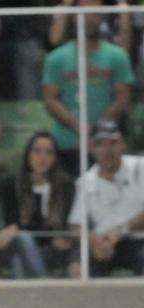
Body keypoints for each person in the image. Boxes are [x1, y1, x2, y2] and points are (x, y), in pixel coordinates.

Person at [42, 0, 133, 176]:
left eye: (95, 12)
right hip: (66, 144)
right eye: (84, 12)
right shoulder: (56, 58)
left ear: (101, 17)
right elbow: (50, 99)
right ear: (74, 17)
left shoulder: (117, 56)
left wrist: (98, 127)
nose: (89, 18)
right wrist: (78, 126)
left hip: (106, 145)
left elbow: (123, 97)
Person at [67, 120, 144, 277]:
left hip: (138, 240)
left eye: (113, 143)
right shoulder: (86, 181)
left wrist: (120, 230)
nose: (107, 150)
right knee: (77, 267)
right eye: (100, 144)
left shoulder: (140, 167)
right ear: (91, 148)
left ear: (123, 144)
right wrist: (92, 240)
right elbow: (76, 224)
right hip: (102, 244)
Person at [0, 132, 75, 279]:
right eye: (37, 151)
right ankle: (43, 286)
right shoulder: (12, 184)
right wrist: (21, 229)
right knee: (24, 240)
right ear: (28, 154)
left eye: (49, 152)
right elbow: (12, 226)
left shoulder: (66, 186)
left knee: (19, 260)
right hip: (18, 245)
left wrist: (21, 228)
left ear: (55, 158)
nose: (42, 157)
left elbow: (63, 229)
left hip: (52, 251)